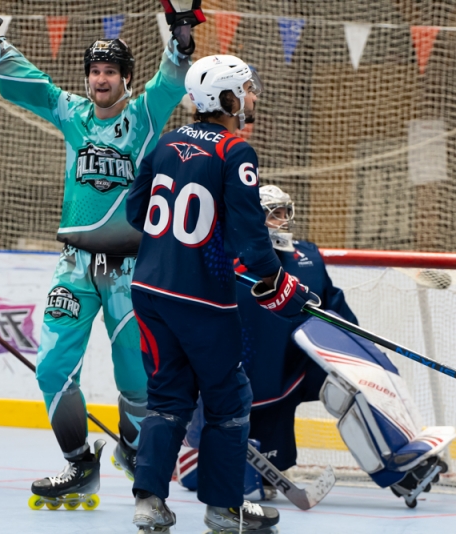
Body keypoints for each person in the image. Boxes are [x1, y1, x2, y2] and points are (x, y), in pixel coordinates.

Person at [0, 0, 203, 507]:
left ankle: (134, 452)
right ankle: (78, 464)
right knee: (51, 368)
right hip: (75, 266)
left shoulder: (145, 115)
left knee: (138, 378)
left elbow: (173, 75)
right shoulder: (72, 112)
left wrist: (181, 30)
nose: (100, 79)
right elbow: (25, 77)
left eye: (110, 71)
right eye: (94, 71)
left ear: (126, 78)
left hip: (132, 271)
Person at [126, 55, 320, 533]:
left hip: (149, 290)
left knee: (166, 399)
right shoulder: (236, 151)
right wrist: (278, 284)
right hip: (203, 300)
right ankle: (222, 508)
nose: (252, 97)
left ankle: (149, 503)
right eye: (247, 89)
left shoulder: (166, 141)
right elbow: (253, 238)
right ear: (227, 98)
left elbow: (135, 212)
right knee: (229, 399)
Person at [176, 186, 452, 509]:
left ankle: (402, 471)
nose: (281, 220)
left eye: (284, 213)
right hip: (240, 388)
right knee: (234, 481)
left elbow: (336, 314)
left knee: (350, 383)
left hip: (291, 372)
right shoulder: (223, 259)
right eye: (272, 214)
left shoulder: (306, 258)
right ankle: (208, 456)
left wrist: (366, 353)